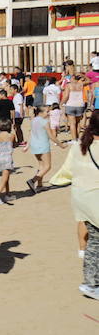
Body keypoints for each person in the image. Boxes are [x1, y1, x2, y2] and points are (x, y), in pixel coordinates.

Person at [49, 111, 99, 299]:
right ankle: (91, 283)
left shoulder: (79, 145)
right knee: (96, 241)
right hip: (95, 198)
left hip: (81, 198)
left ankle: (91, 282)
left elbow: (66, 172)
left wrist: (55, 180)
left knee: (94, 240)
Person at [26, 105, 66, 195]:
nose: (49, 113)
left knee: (41, 166)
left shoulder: (33, 120)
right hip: (43, 145)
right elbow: (51, 136)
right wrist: (61, 145)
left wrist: (27, 146)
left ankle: (39, 186)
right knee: (47, 166)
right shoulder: (45, 122)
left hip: (34, 145)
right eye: (47, 112)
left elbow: (31, 133)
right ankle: (33, 181)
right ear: (40, 112)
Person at [0, 119, 17, 205]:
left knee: (6, 176)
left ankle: (7, 194)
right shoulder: (11, 136)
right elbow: (15, 144)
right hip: (8, 157)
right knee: (4, 177)